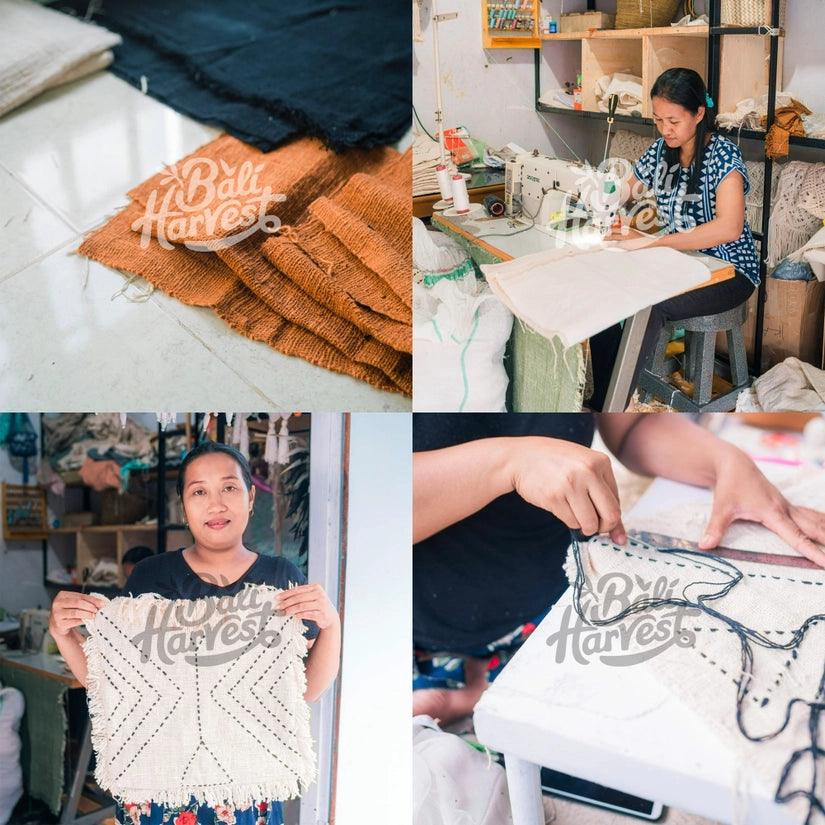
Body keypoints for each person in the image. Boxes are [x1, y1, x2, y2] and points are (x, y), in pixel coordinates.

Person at [413, 413, 825, 726]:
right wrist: (509, 461)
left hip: (565, 598)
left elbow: (631, 426)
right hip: (423, 632)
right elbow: (364, 503)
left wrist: (723, 461)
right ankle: (466, 690)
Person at [49, 441, 341, 825]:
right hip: (159, 790)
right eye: (199, 491)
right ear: (183, 507)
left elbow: (302, 691)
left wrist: (332, 625)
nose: (216, 504)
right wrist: (63, 635)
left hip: (246, 791)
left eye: (229, 488)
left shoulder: (280, 579)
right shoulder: (151, 577)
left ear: (251, 498)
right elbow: (120, 687)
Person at [589, 67, 760, 409]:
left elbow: (728, 228)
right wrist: (603, 193)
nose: (665, 129)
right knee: (603, 288)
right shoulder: (660, 151)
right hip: (683, 261)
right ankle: (607, 393)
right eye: (658, 120)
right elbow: (627, 188)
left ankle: (620, 404)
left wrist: (656, 242)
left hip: (730, 271)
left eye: (673, 121)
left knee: (651, 304)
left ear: (698, 114)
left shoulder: (723, 156)